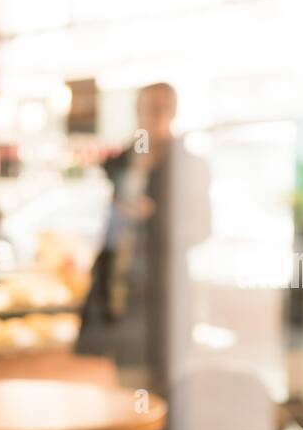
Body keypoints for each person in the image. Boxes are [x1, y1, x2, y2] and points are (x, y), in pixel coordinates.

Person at [75, 82, 211, 391]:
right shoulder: (124, 161)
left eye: (161, 109)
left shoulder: (187, 165)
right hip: (121, 294)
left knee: (166, 386)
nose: (153, 116)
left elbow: (201, 229)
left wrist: (156, 218)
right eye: (147, 108)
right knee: (127, 385)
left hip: (162, 294)